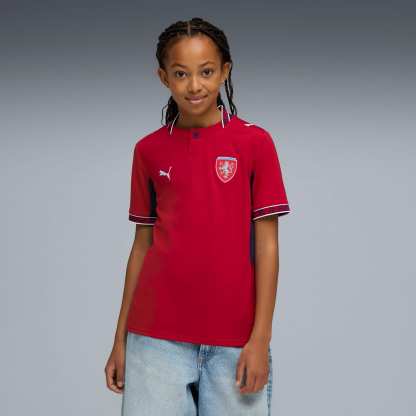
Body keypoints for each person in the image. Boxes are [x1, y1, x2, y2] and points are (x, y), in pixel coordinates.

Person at [105, 17, 291, 416]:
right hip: (154, 338)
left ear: (225, 71)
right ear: (163, 77)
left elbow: (267, 247)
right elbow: (142, 247)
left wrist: (260, 338)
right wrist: (120, 340)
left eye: (206, 72)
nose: (194, 85)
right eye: (181, 73)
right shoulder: (148, 151)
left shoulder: (254, 143)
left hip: (234, 339)